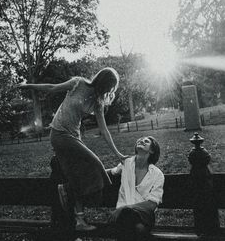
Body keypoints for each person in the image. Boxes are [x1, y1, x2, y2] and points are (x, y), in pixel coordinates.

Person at [17, 67, 128, 231]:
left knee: (76, 177)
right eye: (109, 87)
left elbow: (104, 130)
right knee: (95, 163)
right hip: (59, 134)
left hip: (75, 137)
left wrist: (118, 153)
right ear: (102, 81)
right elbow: (52, 88)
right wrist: (28, 86)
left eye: (111, 89)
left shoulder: (97, 102)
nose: (109, 91)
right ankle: (68, 190)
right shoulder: (78, 83)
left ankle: (80, 221)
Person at [108, 136, 164, 241]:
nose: (141, 141)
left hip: (143, 217)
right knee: (134, 226)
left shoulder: (157, 174)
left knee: (132, 223)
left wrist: (126, 209)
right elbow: (112, 172)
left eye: (146, 141)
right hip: (122, 217)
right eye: (139, 140)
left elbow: (152, 204)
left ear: (152, 150)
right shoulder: (126, 163)